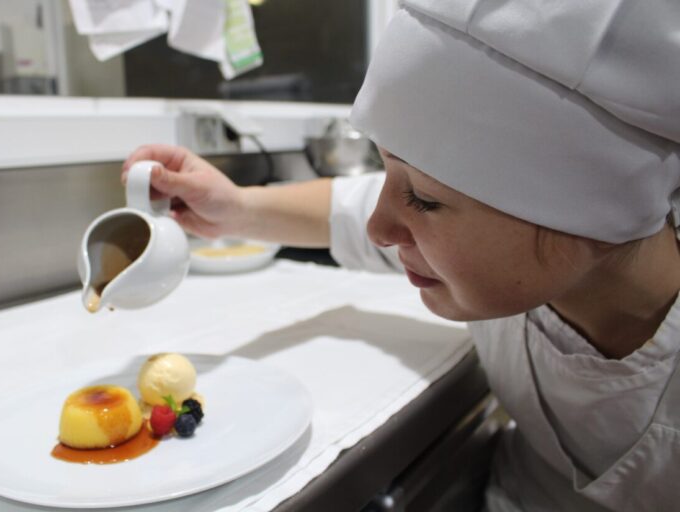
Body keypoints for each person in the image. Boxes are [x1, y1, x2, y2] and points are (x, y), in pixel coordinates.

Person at [123, 1, 680, 510]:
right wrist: (235, 206)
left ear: (590, 214)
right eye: (387, 169)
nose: (380, 226)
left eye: (424, 198)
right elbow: (346, 209)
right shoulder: (520, 264)